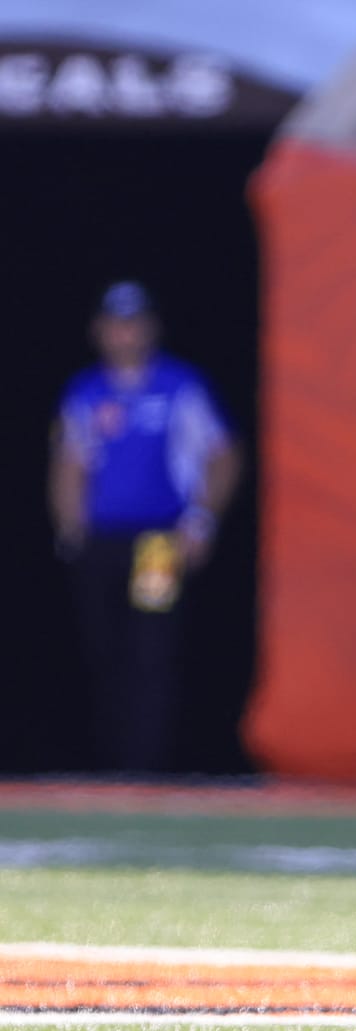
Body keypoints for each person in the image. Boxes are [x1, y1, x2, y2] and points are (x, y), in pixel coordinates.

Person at [48, 281, 242, 774]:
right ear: (99, 331)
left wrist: (200, 522)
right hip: (101, 543)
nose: (125, 334)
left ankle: (145, 767)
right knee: (101, 646)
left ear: (151, 328)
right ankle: (110, 762)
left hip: (157, 543)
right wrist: (70, 527)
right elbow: (69, 462)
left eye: (134, 323)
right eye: (116, 324)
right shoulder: (87, 392)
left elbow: (223, 455)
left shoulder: (179, 387)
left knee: (150, 647)